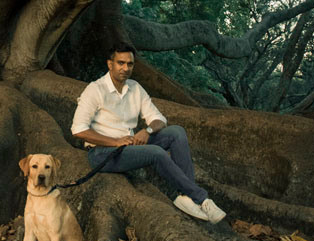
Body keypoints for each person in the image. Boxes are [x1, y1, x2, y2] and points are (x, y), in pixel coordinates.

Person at [71, 42, 226, 223]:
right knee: (156, 153)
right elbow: (78, 129)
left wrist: (148, 130)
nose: (125, 68)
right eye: (120, 63)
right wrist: (115, 142)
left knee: (176, 132)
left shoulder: (135, 88)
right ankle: (202, 199)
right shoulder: (95, 89)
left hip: (129, 147)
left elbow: (159, 118)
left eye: (130, 64)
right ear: (110, 64)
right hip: (102, 154)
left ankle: (187, 197)